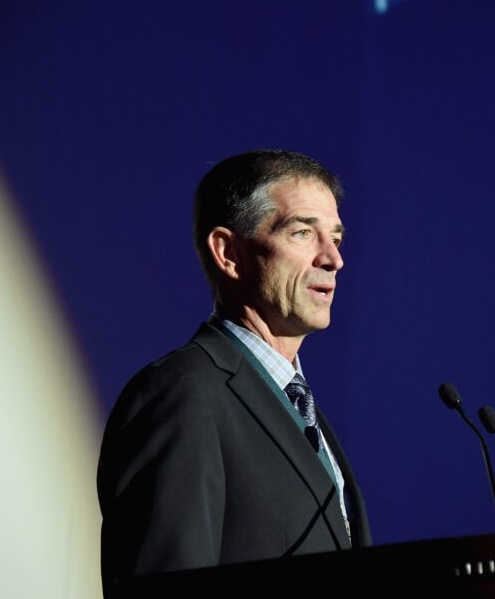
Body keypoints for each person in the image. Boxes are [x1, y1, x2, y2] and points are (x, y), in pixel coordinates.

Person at [96, 149, 372, 597]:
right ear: (228, 253)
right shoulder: (183, 395)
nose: (333, 259)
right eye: (303, 232)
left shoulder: (295, 403)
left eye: (336, 239)